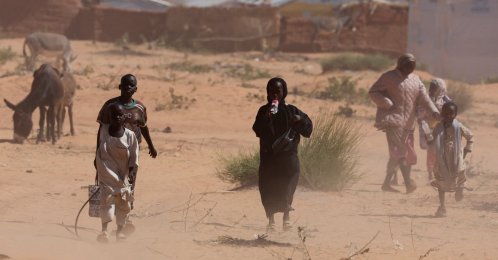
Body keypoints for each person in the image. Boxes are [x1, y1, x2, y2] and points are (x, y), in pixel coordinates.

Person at [369, 53, 439, 193]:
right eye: (408, 64)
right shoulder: (388, 77)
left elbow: (424, 98)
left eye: (413, 64)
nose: (411, 67)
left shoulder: (415, 80)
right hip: (393, 120)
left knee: (399, 153)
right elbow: (373, 91)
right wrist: (386, 103)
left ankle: (386, 184)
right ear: (401, 64)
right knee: (400, 151)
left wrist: (434, 111)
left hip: (409, 123)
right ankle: (408, 183)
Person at [252, 77, 313, 231]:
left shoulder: (292, 110)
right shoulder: (263, 110)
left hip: (288, 158)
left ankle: (286, 218)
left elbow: (307, 130)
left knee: (287, 186)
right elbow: (257, 130)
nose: (274, 95)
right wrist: (267, 117)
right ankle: (271, 221)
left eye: (277, 91)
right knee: (268, 188)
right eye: (271, 91)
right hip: (269, 158)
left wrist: (300, 120)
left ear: (283, 92)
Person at [95, 103, 139, 242]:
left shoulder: (130, 136)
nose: (117, 118)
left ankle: (119, 232)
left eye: (120, 115)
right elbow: (98, 150)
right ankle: (104, 232)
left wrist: (132, 172)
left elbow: (134, 156)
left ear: (124, 117)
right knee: (106, 202)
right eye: (114, 115)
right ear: (110, 117)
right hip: (106, 173)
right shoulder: (103, 131)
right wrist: (96, 166)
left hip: (122, 176)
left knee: (123, 204)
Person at [430, 102, 473, 217]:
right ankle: (442, 206)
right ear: (442, 114)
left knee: (459, 174)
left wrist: (466, 151)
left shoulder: (459, 126)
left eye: (451, 114)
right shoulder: (438, 127)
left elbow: (470, 137)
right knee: (441, 181)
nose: (448, 116)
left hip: (456, 158)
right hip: (442, 159)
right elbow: (432, 139)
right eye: (446, 113)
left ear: (455, 114)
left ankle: (460, 189)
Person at [418, 78, 452, 180]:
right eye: (431, 87)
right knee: (432, 150)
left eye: (434, 88)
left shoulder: (445, 99)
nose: (431, 90)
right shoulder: (426, 99)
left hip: (442, 129)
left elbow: (451, 110)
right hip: (429, 129)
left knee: (442, 151)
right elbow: (420, 115)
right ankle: (430, 172)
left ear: (440, 89)